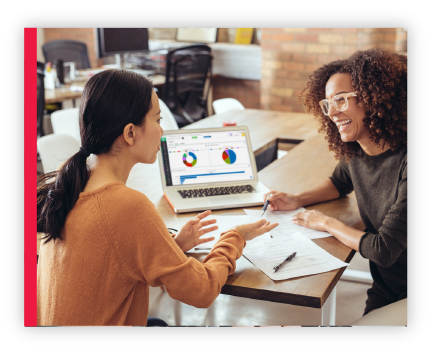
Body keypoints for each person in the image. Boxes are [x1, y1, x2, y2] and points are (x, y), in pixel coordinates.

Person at [37, 69, 278, 326]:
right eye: (158, 119)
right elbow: (202, 289)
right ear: (130, 133)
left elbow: (109, 256)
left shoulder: (68, 183)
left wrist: (172, 244)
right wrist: (235, 238)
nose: (162, 131)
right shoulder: (127, 205)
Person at [264, 48, 407, 315]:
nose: (331, 113)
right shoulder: (358, 151)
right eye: (328, 104)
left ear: (374, 98)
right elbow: (339, 183)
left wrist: (326, 222)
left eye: (341, 100)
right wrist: (296, 199)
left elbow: (384, 249)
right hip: (386, 286)